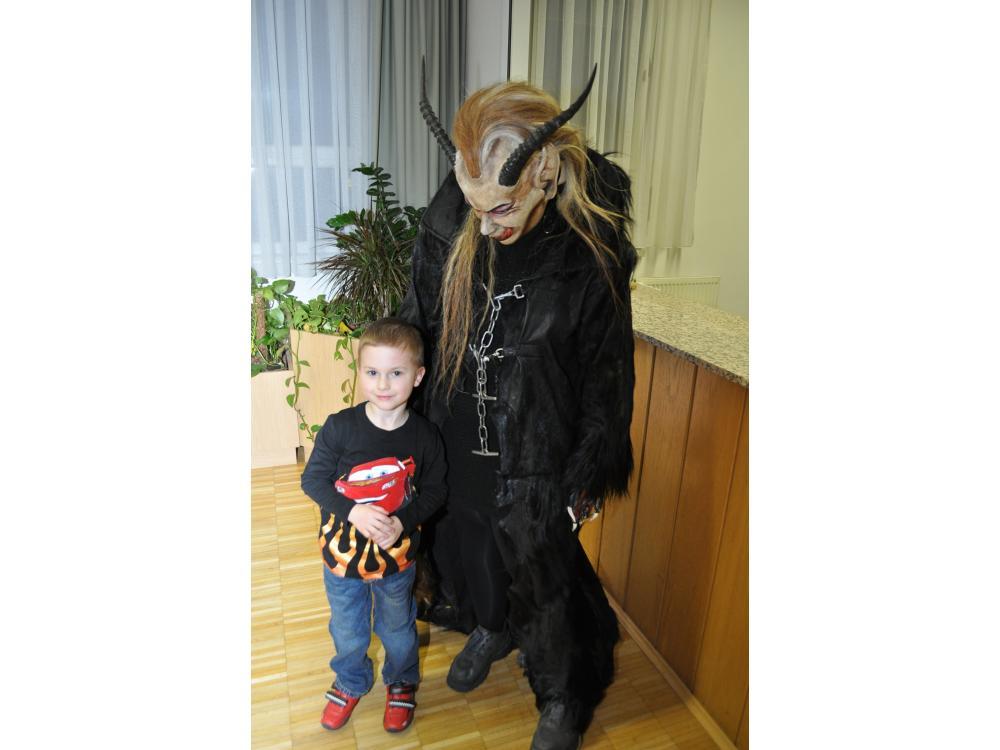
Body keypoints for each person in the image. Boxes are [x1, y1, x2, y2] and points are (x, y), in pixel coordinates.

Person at [399, 65, 636, 750]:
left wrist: (589, 467)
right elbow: (419, 314)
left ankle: (563, 692)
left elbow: (607, 367)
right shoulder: (457, 216)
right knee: (471, 543)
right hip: (457, 425)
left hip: (537, 441)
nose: (484, 226)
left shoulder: (588, 251)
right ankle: (491, 626)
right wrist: (391, 411)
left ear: (546, 174)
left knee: (541, 568)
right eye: (474, 207)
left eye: (500, 209)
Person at [300, 317, 447, 735]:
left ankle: (401, 681)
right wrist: (353, 511)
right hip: (342, 558)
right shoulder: (340, 427)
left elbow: (436, 492)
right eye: (372, 372)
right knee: (347, 629)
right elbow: (312, 480)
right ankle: (351, 680)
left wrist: (402, 521)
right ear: (360, 372)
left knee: (397, 628)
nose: (383, 384)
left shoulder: (425, 436)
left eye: (396, 373)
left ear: (417, 376)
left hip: (396, 559)